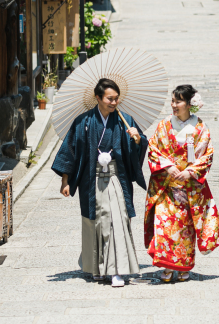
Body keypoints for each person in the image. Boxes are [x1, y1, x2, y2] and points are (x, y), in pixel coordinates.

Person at [52, 78, 147, 287]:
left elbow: (140, 145)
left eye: (116, 99)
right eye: (110, 99)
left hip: (115, 177)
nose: (114, 103)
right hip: (91, 178)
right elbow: (70, 151)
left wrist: (138, 140)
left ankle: (116, 270)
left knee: (118, 219)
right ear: (98, 98)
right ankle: (95, 267)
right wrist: (65, 180)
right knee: (95, 221)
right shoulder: (83, 122)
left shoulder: (125, 120)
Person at [145, 85, 219, 282]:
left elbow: (208, 154)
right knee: (164, 224)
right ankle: (166, 265)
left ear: (189, 103)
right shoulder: (164, 125)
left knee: (186, 227)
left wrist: (190, 172)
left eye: (178, 101)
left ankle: (183, 266)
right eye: (172, 101)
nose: (174, 105)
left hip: (190, 186)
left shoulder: (200, 127)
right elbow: (154, 148)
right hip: (167, 184)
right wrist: (168, 166)